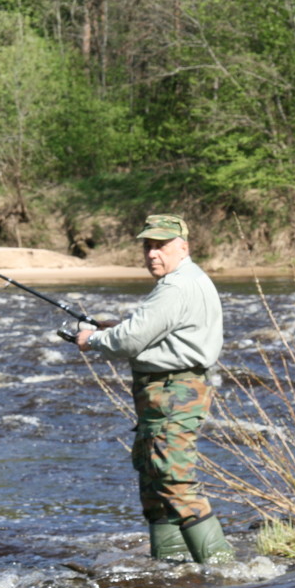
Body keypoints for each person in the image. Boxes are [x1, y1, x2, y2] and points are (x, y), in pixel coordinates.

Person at [74, 214, 233, 564]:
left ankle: (223, 567)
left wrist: (94, 339)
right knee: (152, 475)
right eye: (147, 246)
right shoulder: (187, 280)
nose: (152, 254)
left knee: (172, 476)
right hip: (167, 391)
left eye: (160, 246)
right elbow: (155, 329)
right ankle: (171, 566)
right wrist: (113, 326)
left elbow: (130, 340)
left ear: (183, 246)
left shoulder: (176, 286)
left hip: (173, 391)